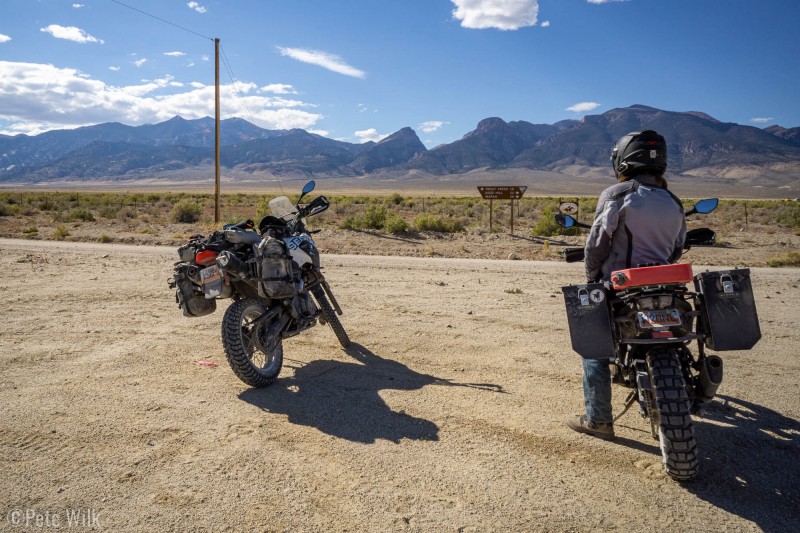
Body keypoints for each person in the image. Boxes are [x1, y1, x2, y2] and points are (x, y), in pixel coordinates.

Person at [566, 130, 687, 440]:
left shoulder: (617, 195)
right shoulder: (672, 200)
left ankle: (599, 420)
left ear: (621, 159)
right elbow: (677, 246)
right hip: (666, 285)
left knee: (594, 348)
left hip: (622, 288)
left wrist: (592, 276)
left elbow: (597, 244)